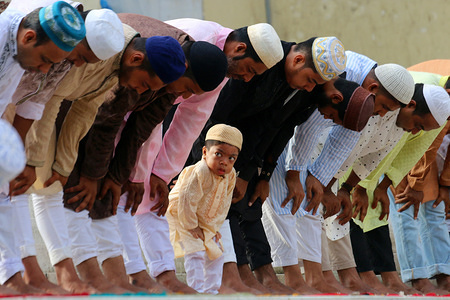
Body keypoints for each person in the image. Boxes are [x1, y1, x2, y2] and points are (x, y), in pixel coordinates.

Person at [120, 19, 284, 294]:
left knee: (153, 195)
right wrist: (140, 172)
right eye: (249, 70)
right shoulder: (197, 42)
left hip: (152, 114)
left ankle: (163, 274)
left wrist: (162, 172)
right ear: (239, 48)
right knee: (125, 186)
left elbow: (192, 118)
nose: (247, 79)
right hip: (130, 101)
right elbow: (153, 105)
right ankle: (133, 272)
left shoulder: (218, 67)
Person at [179, 35, 346, 294]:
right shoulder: (262, 61)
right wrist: (224, 162)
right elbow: (222, 113)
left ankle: (256, 275)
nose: (311, 88)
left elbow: (276, 128)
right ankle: (230, 274)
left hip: (245, 150)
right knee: (214, 203)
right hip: (208, 139)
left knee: (247, 202)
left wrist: (261, 174)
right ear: (298, 59)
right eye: (311, 80)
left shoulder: (300, 87)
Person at [5, 6, 124, 295]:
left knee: (15, 183)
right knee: (10, 184)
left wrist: (23, 157)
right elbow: (42, 102)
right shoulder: (43, 39)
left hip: (15, 107)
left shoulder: (64, 54)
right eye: (82, 57)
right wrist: (28, 158)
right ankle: (19, 275)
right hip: (8, 103)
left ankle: (23, 275)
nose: (79, 64)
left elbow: (38, 100)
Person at [0, 1, 85, 294]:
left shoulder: (18, 53)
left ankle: (10, 278)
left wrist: (14, 157)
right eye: (46, 59)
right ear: (28, 38)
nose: (46, 69)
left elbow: (25, 105)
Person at [166, 124, 242, 294]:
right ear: (205, 152)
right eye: (219, 154)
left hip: (203, 219)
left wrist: (213, 228)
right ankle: (197, 290)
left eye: (232, 158)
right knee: (196, 252)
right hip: (182, 216)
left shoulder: (230, 175)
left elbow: (224, 204)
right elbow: (186, 200)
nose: (224, 161)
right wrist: (192, 226)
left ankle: (212, 291)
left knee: (217, 253)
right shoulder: (200, 171)